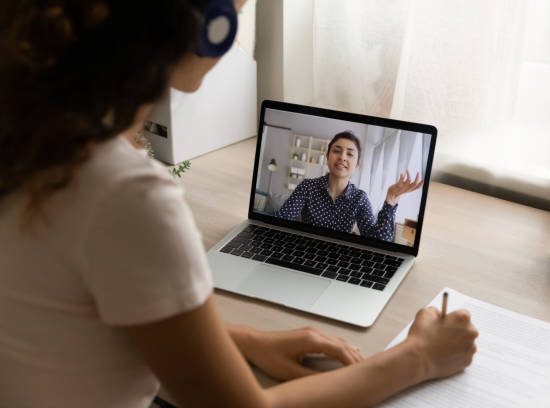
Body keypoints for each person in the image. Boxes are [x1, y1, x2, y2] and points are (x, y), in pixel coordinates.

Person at [0, 1, 478, 407]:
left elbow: (101, 311)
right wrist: (419, 356)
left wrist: (244, 339)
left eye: (349, 153)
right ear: (210, 26)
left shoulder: (32, 136)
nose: (341, 157)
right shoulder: (126, 196)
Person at [277, 131, 424, 242]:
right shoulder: (307, 187)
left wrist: (391, 198)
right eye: (336, 151)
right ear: (327, 157)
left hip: (340, 260)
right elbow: (280, 222)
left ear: (357, 164)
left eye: (350, 154)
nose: (342, 157)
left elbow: (379, 241)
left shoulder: (359, 198)